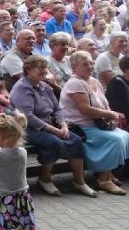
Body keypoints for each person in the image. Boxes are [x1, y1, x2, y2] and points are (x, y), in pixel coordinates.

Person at [8, 55, 93, 197]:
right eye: (40, 68)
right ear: (28, 69)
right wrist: (54, 130)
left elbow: (57, 109)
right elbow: (28, 116)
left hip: (48, 124)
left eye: (45, 68)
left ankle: (79, 181)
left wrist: (63, 125)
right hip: (26, 128)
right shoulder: (22, 87)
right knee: (54, 142)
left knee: (76, 140)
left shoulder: (44, 86)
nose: (44, 71)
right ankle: (44, 179)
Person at [59, 50, 129, 195]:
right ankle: (104, 180)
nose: (90, 66)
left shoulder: (94, 80)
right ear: (74, 67)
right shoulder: (75, 83)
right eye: (85, 64)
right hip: (80, 127)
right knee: (115, 140)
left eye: (91, 63)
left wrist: (111, 116)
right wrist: (110, 114)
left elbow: (105, 103)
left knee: (124, 135)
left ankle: (108, 173)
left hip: (98, 123)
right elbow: (86, 109)